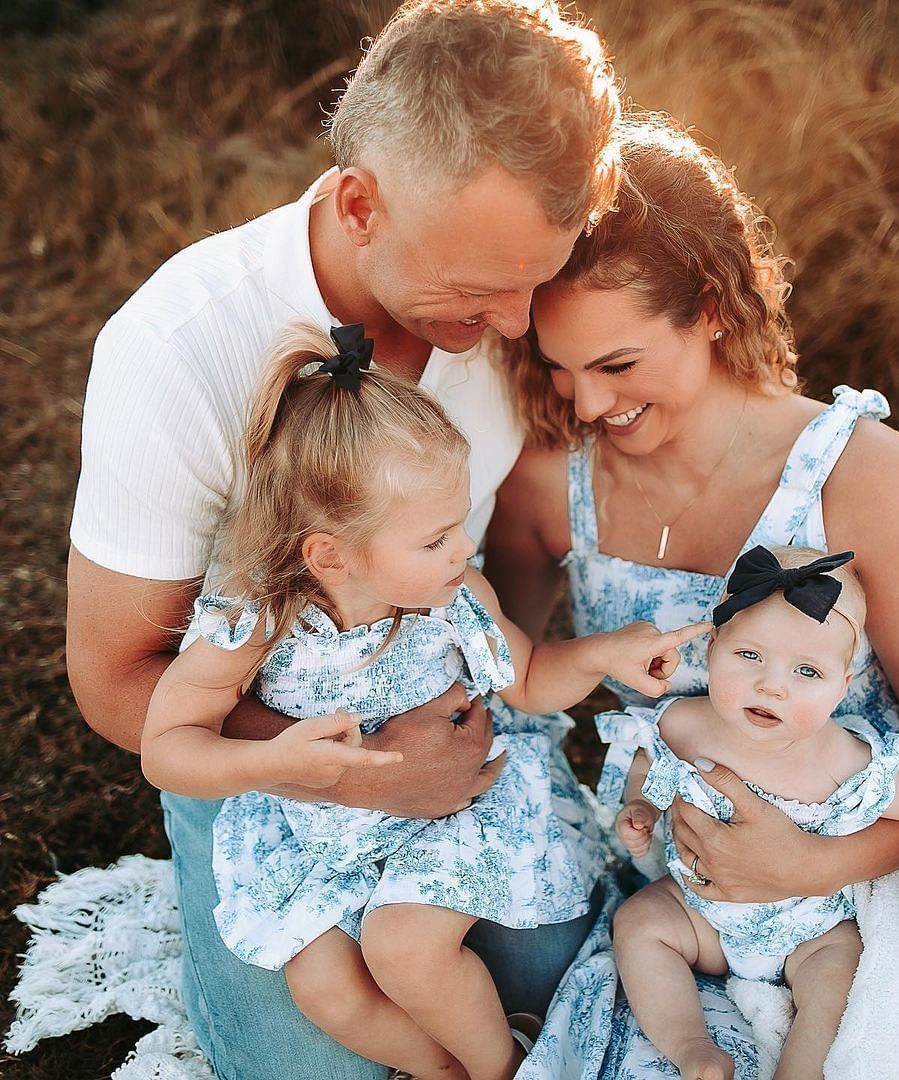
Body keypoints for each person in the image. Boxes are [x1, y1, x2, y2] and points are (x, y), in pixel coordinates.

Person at [65, 3, 620, 1077]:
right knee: (323, 1060)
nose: (517, 325)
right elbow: (113, 678)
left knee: (566, 990)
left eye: (534, 280)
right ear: (360, 204)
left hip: (456, 743)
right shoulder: (177, 349)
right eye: (479, 289)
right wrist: (352, 770)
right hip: (259, 762)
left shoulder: (511, 312)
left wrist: (476, 691)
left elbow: (512, 537)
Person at [485, 115, 899, 1076]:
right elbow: (499, 656)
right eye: (560, 369)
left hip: (884, 841)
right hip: (694, 885)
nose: (587, 405)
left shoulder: (861, 475)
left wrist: (816, 866)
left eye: (618, 366)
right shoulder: (557, 483)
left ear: (713, 308)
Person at [140, 322, 707, 1079]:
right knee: (323, 987)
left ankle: (497, 1066)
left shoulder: (454, 596)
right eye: (437, 537)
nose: (462, 550)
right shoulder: (253, 620)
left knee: (405, 949)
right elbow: (166, 746)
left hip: (449, 812)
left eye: (459, 525)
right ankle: (441, 1072)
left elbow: (529, 676)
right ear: (330, 554)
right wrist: (269, 760)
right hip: (317, 830)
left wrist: (605, 654)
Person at [599, 544, 899, 1080]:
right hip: (700, 912)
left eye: (806, 671)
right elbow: (646, 758)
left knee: (839, 978)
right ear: (713, 648)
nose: (771, 684)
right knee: (637, 924)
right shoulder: (682, 724)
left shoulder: (842, 760)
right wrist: (640, 808)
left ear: (841, 688)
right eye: (749, 656)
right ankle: (692, 1049)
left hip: (808, 928)